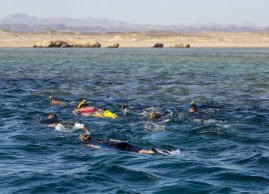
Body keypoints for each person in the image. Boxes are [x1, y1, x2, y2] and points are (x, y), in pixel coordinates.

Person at [79, 134, 156, 154]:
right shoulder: (96, 138)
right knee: (133, 148)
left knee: (131, 152)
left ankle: (149, 152)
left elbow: (96, 146)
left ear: (83, 139)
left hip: (112, 146)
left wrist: (104, 150)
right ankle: (149, 151)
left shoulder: (87, 142)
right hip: (118, 143)